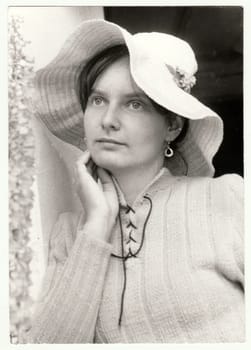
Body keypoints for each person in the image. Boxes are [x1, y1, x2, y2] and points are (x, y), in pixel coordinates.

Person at [22, 19, 244, 343]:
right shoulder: (70, 235)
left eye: (134, 103)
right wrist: (97, 225)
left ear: (172, 125)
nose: (108, 120)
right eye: (98, 100)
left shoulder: (229, 199)